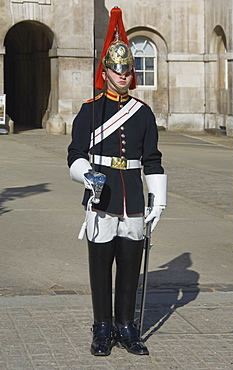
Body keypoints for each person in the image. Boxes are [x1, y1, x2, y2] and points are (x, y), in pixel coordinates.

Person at [67, 7, 167, 357]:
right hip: (101, 195)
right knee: (100, 265)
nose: (123, 74)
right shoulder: (89, 110)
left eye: (127, 69)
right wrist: (86, 173)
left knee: (130, 264)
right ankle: (103, 326)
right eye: (116, 69)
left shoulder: (143, 113)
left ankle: (126, 325)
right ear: (105, 72)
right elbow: (74, 154)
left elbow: (152, 160)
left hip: (133, 197)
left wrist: (159, 200)